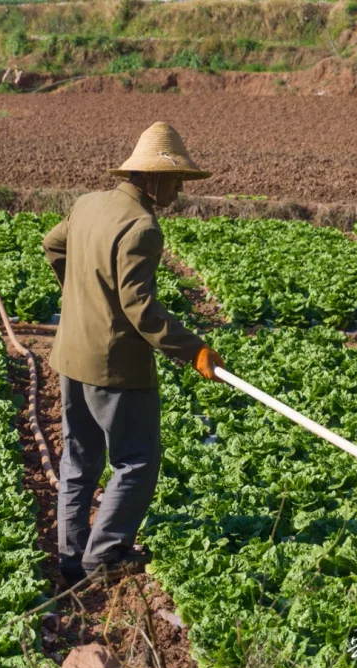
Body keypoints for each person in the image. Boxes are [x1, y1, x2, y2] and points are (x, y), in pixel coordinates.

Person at [42, 121, 225, 586]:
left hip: (71, 355)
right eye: (176, 179)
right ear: (151, 177)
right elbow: (140, 308)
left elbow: (52, 244)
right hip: (114, 366)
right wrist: (195, 351)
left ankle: (70, 552)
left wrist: (78, 297)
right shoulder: (142, 227)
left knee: (79, 456)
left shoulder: (88, 204)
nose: (180, 190)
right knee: (136, 460)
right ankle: (103, 555)